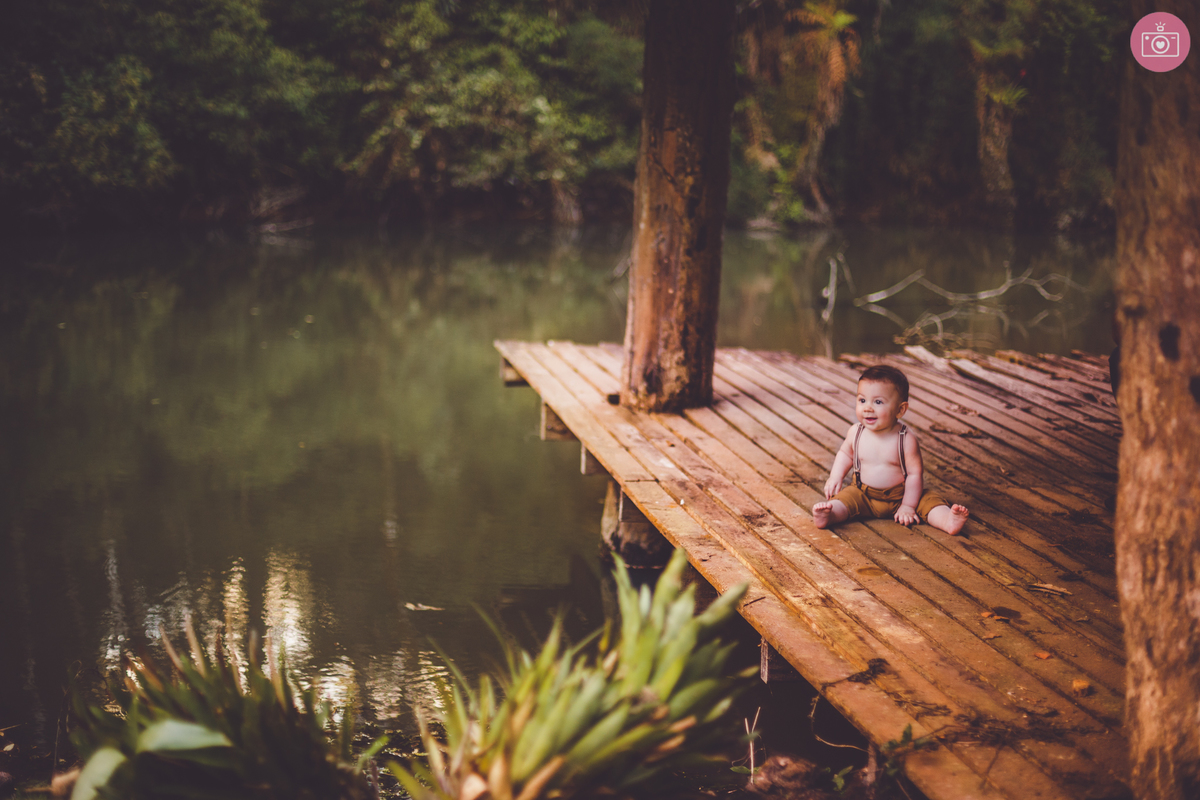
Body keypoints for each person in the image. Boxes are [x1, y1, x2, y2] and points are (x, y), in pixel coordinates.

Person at [812, 365, 969, 535]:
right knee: (843, 500)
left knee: (930, 501)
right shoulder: (856, 432)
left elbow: (914, 474)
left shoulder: (905, 439)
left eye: (878, 402)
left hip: (902, 496)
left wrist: (908, 505)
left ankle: (947, 520)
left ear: (900, 409)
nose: (868, 408)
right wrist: (836, 476)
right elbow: (845, 454)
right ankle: (829, 515)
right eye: (862, 400)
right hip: (863, 493)